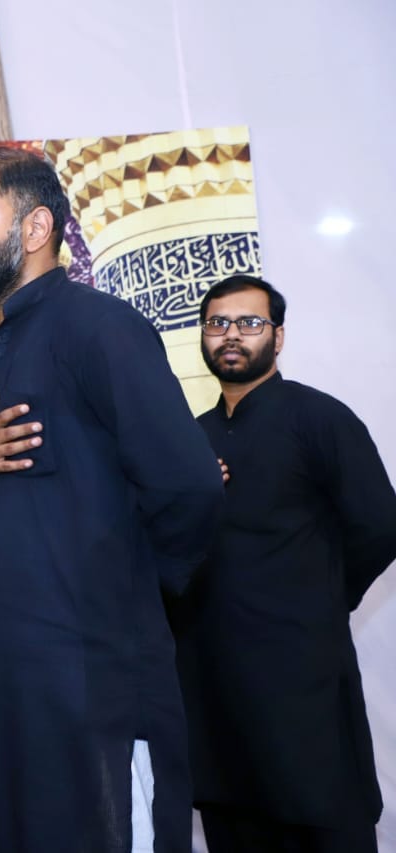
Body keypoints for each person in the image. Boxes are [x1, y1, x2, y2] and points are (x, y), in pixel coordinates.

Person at [0, 147, 223, 852]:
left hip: (96, 684)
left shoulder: (101, 327)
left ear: (35, 228)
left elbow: (189, 486)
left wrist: (125, 594)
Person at [170, 274, 396, 853]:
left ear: (278, 336)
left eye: (249, 323)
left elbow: (380, 525)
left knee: (324, 821)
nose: (232, 335)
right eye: (218, 323)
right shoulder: (189, 440)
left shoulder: (319, 418)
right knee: (235, 826)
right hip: (214, 684)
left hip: (302, 678)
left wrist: (321, 597)